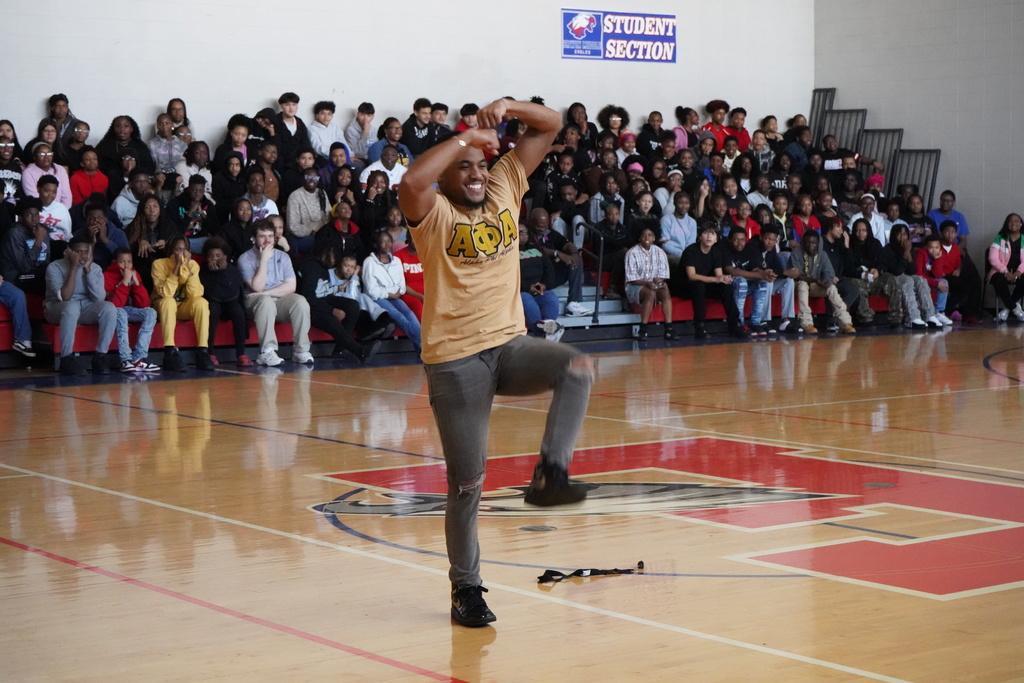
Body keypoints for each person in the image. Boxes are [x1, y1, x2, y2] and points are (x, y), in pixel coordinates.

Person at [397, 98, 593, 628]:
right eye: (466, 168)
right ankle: (467, 590)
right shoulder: (433, 213)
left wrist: (507, 106)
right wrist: (464, 140)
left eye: (484, 165)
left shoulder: (507, 182)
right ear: (448, 174)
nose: (479, 173)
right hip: (455, 360)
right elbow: (411, 183)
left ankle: (551, 475)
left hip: (509, 345)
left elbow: (551, 124)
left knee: (574, 368)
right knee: (467, 485)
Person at [238, 218, 313, 366]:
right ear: (253, 238)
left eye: (270, 236)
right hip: (254, 302)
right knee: (265, 302)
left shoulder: (283, 256)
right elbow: (257, 288)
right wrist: (264, 261)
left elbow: (291, 286)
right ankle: (267, 351)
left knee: (300, 301)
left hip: (277, 300)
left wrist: (266, 293)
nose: (267, 241)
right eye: (262, 236)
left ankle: (301, 351)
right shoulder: (245, 259)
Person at [44, 235, 118, 375]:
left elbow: (99, 298)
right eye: (78, 252)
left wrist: (87, 270)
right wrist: (73, 268)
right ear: (69, 252)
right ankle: (66, 358)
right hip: (57, 307)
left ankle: (99, 356)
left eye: (86, 251)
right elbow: (65, 297)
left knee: (109, 308)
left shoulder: (95, 268)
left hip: (84, 307)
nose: (82, 255)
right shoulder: (54, 267)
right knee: (71, 307)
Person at [297, 241, 380, 362]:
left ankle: (340, 350)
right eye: (334, 256)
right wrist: (332, 310)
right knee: (332, 321)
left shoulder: (322, 267)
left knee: (352, 305)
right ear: (327, 253)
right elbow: (308, 297)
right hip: (308, 306)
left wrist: (336, 289)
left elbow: (321, 290)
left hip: (322, 299)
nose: (335, 261)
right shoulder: (311, 267)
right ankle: (360, 351)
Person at [150, 235, 215, 372]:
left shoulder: (193, 265)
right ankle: (170, 352)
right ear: (171, 251)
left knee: (201, 303)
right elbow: (166, 293)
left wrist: (187, 268)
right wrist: (177, 268)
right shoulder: (159, 264)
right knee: (169, 301)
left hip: (183, 306)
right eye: (178, 250)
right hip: (162, 306)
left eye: (185, 249)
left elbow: (195, 293)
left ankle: (203, 351)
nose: (182, 253)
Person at [784, 230, 856, 334]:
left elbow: (829, 273)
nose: (810, 245)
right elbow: (796, 275)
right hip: (797, 285)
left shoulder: (823, 255)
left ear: (818, 244)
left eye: (813, 243)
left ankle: (845, 322)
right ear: (803, 243)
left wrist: (826, 281)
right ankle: (807, 324)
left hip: (816, 285)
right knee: (803, 285)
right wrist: (816, 280)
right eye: (807, 242)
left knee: (831, 288)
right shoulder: (797, 253)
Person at [361, 231, 422, 349]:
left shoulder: (396, 261)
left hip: (394, 295)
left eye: (388, 241)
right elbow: (371, 290)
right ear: (376, 244)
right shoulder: (369, 262)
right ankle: (423, 345)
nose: (386, 244)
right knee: (398, 315)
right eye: (382, 242)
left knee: (409, 313)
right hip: (378, 298)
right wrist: (389, 293)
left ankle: (421, 346)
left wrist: (394, 293)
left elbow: (401, 285)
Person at [103, 247, 159, 372]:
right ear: (114, 262)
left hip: (127, 310)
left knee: (150, 312)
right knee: (120, 312)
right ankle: (125, 359)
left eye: (129, 262)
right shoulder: (106, 276)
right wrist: (125, 281)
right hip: (112, 311)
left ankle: (138, 358)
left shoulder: (134, 273)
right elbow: (114, 305)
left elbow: (143, 304)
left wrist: (137, 284)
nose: (126, 265)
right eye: (122, 262)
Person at [199, 237, 252, 366]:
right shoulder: (202, 271)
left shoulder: (232, 270)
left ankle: (241, 354)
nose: (214, 258)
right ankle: (210, 352)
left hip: (230, 302)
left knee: (238, 311)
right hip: (213, 302)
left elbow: (235, 293)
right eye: (211, 256)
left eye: (218, 255)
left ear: (225, 256)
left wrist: (222, 273)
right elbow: (207, 294)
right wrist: (214, 274)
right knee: (212, 310)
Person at [879, 223, 940, 329]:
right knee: (907, 280)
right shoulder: (887, 250)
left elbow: (913, 271)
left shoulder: (909, 248)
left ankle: (930, 315)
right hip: (890, 278)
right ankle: (912, 317)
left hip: (905, 276)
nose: (902, 237)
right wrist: (905, 252)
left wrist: (909, 255)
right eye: (899, 234)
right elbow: (897, 271)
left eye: (905, 234)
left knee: (920, 280)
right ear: (894, 236)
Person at [676, 224, 733, 338]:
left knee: (726, 286)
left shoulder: (716, 252)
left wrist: (723, 278)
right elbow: (691, 276)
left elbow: (719, 275)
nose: (709, 236)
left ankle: (734, 323)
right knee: (699, 286)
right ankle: (700, 326)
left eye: (712, 234)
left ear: (716, 239)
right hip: (686, 287)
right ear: (700, 237)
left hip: (705, 284)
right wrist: (715, 279)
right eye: (706, 233)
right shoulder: (691, 251)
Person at [848, 218, 903, 328]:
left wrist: (878, 270)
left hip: (874, 279)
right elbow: (847, 268)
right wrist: (862, 274)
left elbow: (883, 262)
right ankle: (865, 317)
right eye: (858, 230)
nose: (860, 233)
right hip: (858, 278)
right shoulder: (849, 244)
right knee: (855, 284)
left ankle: (895, 317)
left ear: (868, 231)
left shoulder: (875, 244)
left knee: (890, 278)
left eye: (864, 230)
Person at [625, 225, 673, 340]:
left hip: (652, 285)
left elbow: (661, 275)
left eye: (650, 235)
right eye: (644, 235)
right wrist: (647, 283)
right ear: (639, 238)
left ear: (654, 238)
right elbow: (632, 279)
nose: (647, 237)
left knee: (665, 291)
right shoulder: (631, 253)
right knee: (650, 293)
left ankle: (669, 329)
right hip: (634, 287)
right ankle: (643, 329)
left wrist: (660, 282)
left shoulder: (660, 252)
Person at [722, 228, 772, 337]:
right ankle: (739, 323)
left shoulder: (748, 249)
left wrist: (764, 273)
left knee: (762, 282)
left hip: (745, 286)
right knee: (741, 281)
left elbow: (754, 268)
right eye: (736, 240)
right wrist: (758, 275)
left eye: (742, 240)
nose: (740, 243)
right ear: (730, 240)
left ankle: (755, 322)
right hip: (728, 287)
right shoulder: (725, 250)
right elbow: (731, 271)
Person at [988, 212, 1024, 322]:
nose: (1013, 223)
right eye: (1010, 221)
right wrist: (1006, 272)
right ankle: (1014, 308)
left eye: (1016, 221)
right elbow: (992, 258)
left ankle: (1006, 310)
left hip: (1019, 272)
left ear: (1021, 224)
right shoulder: (1000, 238)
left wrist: (1018, 272)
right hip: (1000, 272)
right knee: (998, 281)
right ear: (1006, 224)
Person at [286, 166, 330, 253]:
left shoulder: (322, 193)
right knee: (318, 243)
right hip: (301, 237)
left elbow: (328, 217)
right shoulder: (295, 196)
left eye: (315, 177)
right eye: (308, 177)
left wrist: (320, 231)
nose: (312, 180)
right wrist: (312, 230)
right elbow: (293, 227)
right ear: (303, 179)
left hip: (322, 232)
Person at [915, 234, 955, 326]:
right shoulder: (920, 254)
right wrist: (936, 284)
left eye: (937, 247)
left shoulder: (938, 255)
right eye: (931, 247)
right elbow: (919, 275)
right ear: (926, 247)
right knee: (939, 282)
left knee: (944, 282)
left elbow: (938, 274)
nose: (934, 250)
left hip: (930, 281)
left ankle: (938, 312)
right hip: (921, 282)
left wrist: (937, 259)